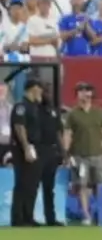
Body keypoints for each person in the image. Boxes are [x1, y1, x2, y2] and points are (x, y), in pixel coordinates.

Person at [66, 83, 102, 224]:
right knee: (82, 185)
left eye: (87, 91)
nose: (84, 94)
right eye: (81, 91)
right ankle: (86, 214)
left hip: (97, 155)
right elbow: (68, 134)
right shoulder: (73, 114)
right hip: (80, 156)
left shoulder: (99, 112)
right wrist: (66, 153)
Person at [9, 79, 44, 227]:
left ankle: (28, 216)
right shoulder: (21, 106)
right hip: (23, 148)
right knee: (22, 183)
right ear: (33, 88)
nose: (41, 91)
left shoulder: (34, 106)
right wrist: (26, 148)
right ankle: (18, 218)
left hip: (35, 148)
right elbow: (19, 127)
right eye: (40, 88)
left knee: (32, 184)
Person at [37, 83, 65, 226]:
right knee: (32, 187)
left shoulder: (53, 111)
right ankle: (27, 217)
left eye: (49, 92)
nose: (48, 95)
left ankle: (51, 218)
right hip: (38, 150)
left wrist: (63, 151)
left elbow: (58, 132)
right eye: (45, 92)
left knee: (49, 188)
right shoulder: (35, 109)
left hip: (51, 152)